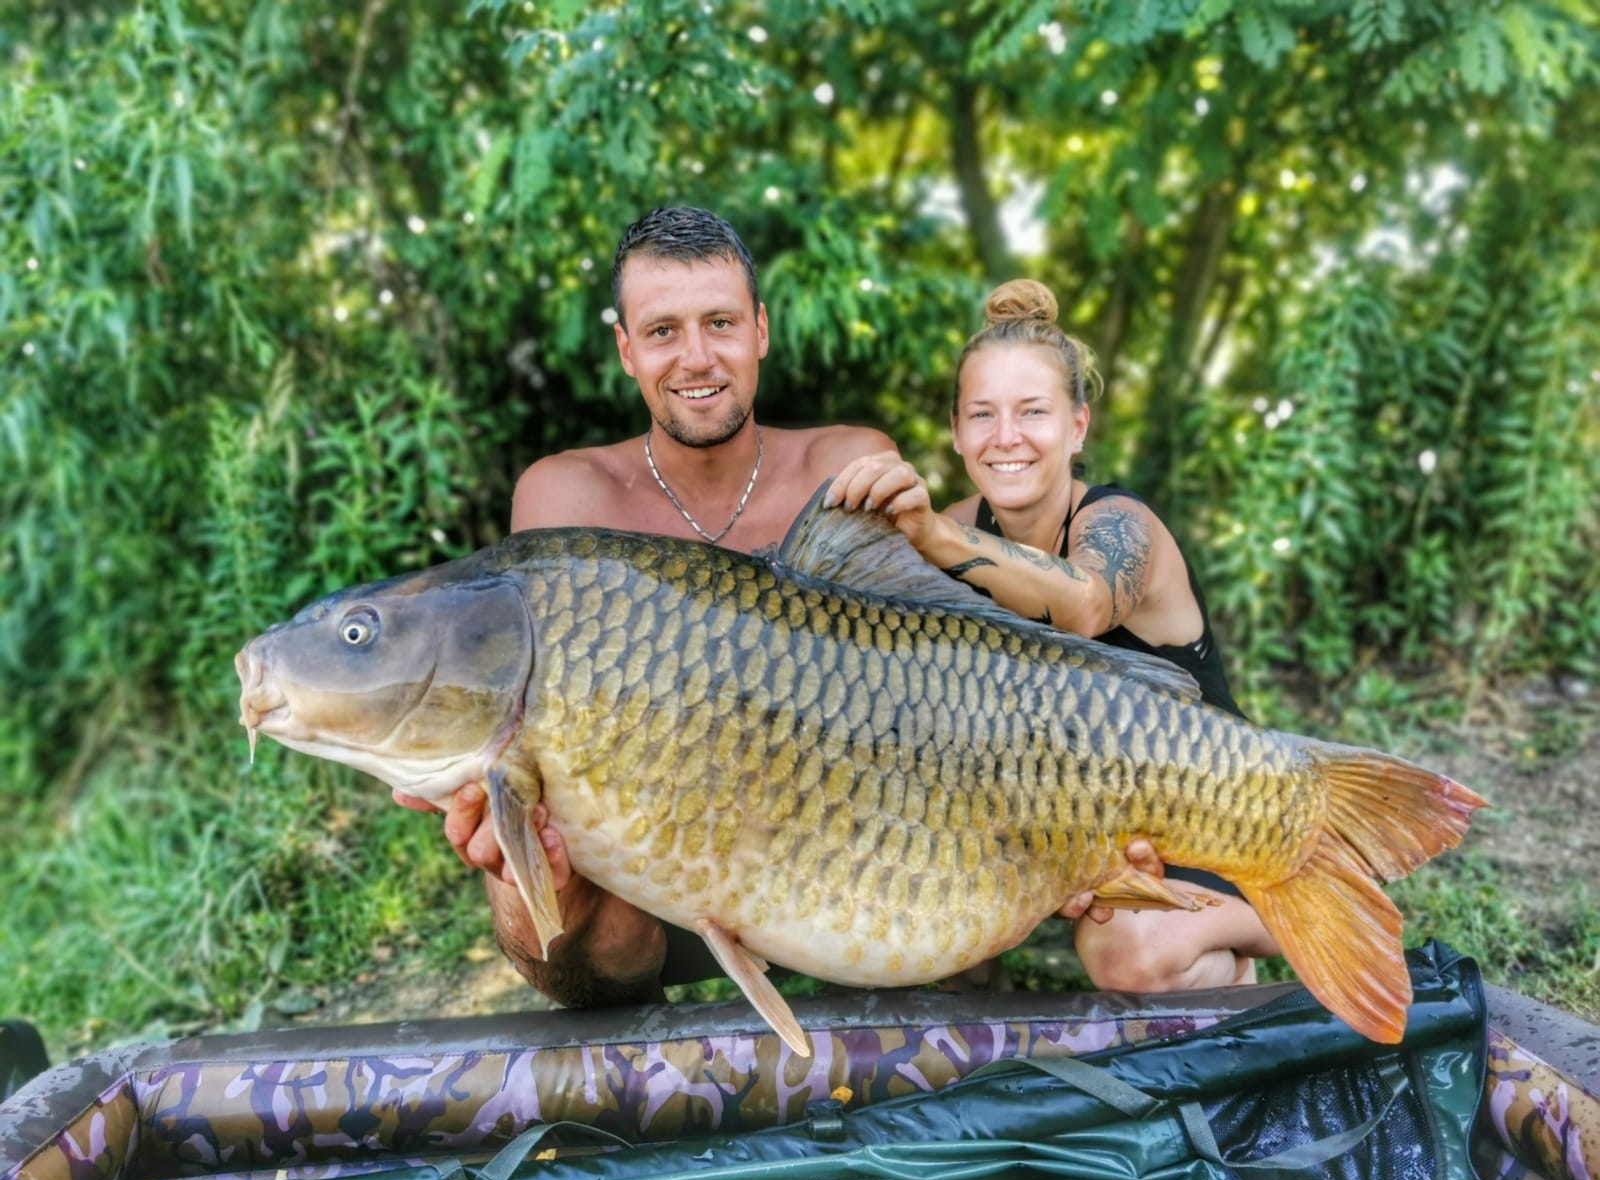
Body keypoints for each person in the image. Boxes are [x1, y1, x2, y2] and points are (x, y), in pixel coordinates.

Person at [395, 206, 895, 1007]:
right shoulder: (567, 498)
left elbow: (915, 686)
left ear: (760, 330)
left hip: (853, 864)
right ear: (627, 349)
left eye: (721, 322)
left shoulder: (846, 466)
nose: (697, 357)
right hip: (656, 881)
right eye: (663, 331)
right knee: (526, 884)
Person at [826, 278, 1281, 993]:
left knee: (1129, 955)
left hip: (1208, 818)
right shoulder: (950, 525)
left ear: (1077, 427)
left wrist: (937, 538)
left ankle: (1248, 943)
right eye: (982, 415)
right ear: (956, 432)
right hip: (1062, 811)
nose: (1005, 438)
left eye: (1032, 412)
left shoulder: (1122, 527)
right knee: (914, 906)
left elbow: (1086, 605)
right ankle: (973, 1032)